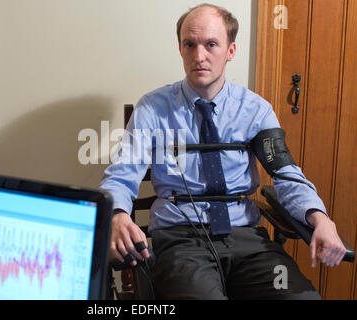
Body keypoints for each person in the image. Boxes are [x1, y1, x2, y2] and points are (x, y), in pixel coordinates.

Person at [99, 3, 346, 299]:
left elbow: (286, 174)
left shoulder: (255, 110)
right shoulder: (153, 108)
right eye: (189, 44)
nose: (199, 56)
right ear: (180, 49)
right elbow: (121, 175)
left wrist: (320, 219)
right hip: (181, 242)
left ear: (230, 51)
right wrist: (116, 214)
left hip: (248, 242)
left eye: (211, 44)